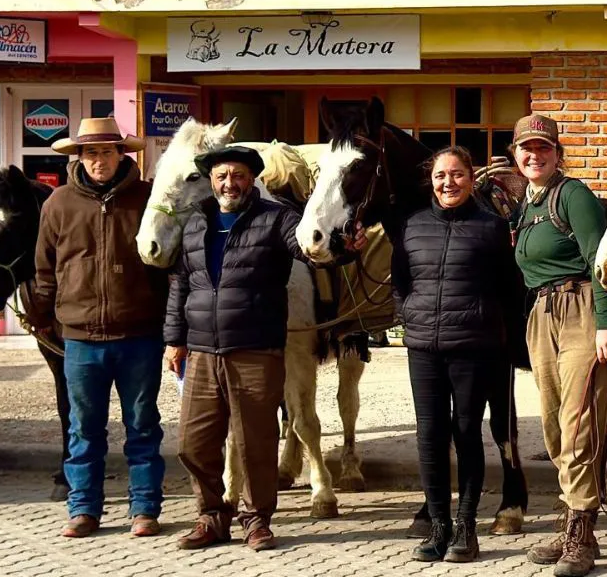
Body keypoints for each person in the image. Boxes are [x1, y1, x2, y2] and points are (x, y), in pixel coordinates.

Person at [164, 146, 366, 551]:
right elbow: (181, 284)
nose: (229, 183)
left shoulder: (275, 219)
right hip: (203, 349)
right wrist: (174, 338)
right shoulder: (195, 222)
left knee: (255, 440)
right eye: (222, 176)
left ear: (252, 179)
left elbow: (308, 248)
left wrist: (344, 249)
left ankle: (256, 520)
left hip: (256, 347)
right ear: (211, 180)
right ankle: (212, 516)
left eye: (238, 175)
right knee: (193, 441)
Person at [32, 117, 169, 538]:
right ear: (79, 157)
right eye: (90, 152)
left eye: (106, 151)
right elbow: (44, 271)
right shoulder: (57, 204)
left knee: (143, 426)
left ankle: (144, 508)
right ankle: (84, 510)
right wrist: (45, 321)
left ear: (121, 154)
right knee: (83, 429)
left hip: (139, 335)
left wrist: (167, 324)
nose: (98, 160)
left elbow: (168, 268)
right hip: (81, 340)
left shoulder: (147, 199)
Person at [390, 146, 523, 563]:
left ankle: (466, 529)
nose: (449, 183)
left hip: (474, 348)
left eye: (458, 175)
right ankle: (438, 527)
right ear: (431, 181)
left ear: (471, 177)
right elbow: (400, 281)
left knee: (467, 434)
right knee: (429, 438)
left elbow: (509, 288)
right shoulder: (411, 226)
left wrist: (488, 326)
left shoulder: (492, 228)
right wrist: (409, 315)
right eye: (440, 176)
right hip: (424, 350)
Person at [511, 114, 607, 577]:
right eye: (525, 149)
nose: (534, 155)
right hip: (542, 315)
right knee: (554, 427)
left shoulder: (572, 195)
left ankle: (582, 533)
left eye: (543, 148)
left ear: (558, 153)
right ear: (516, 155)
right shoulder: (527, 204)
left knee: (578, 424)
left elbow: (603, 262)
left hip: (581, 311)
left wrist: (606, 324)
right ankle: (572, 518)